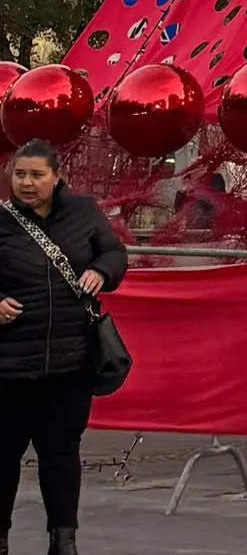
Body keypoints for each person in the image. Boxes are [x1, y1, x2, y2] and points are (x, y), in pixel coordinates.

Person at [0, 141, 127, 555]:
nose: (27, 183)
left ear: (56, 178)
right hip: (8, 366)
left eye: (37, 175)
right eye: (20, 174)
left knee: (60, 455)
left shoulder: (83, 213)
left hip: (70, 362)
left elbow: (114, 252)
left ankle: (63, 540)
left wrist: (101, 270)